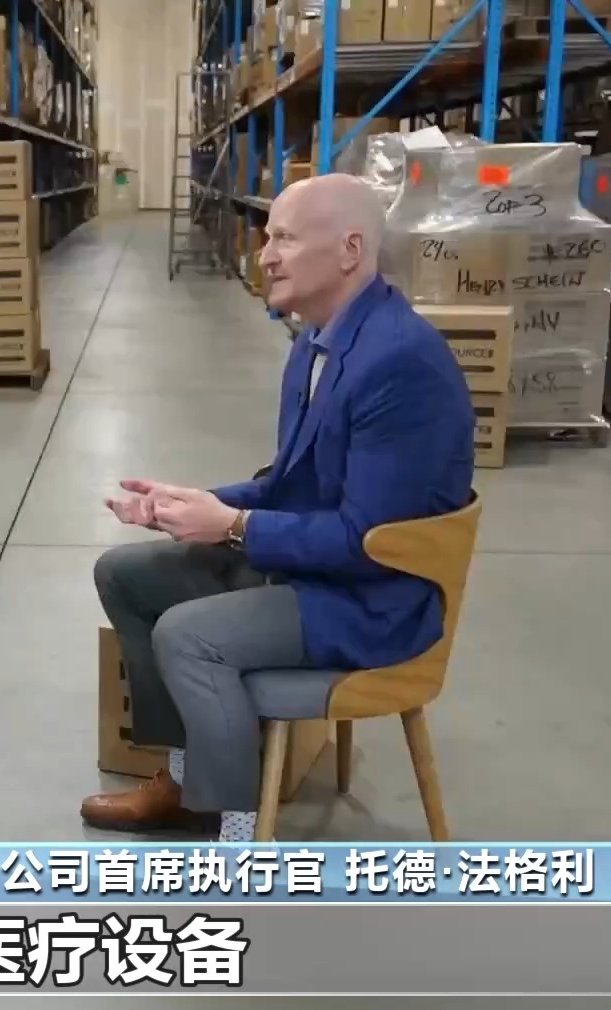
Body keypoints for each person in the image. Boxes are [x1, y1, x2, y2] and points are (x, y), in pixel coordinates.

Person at [81, 174, 475, 842]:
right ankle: (186, 776)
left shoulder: (400, 364)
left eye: (284, 239)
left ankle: (233, 833)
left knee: (189, 635)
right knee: (125, 573)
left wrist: (234, 528)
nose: (265, 255)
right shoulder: (316, 343)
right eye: (268, 238)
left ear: (350, 249)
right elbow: (289, 484)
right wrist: (195, 506)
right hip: (322, 569)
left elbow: (366, 541)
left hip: (374, 599)